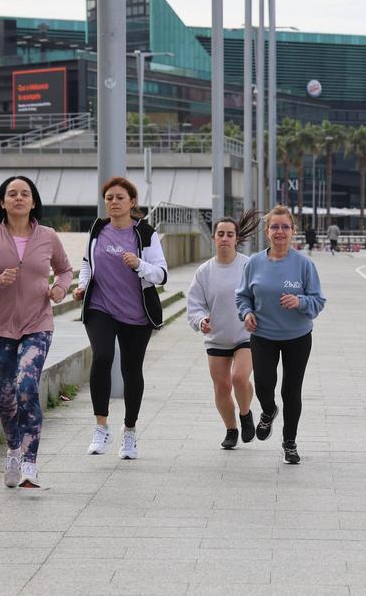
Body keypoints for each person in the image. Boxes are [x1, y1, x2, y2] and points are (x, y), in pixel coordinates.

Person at [0, 175, 72, 489]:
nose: (19, 198)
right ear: (2, 202)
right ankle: (13, 449)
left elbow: (64, 270)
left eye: (25, 193)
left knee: (27, 386)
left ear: (34, 201)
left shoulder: (48, 236)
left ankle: (30, 462)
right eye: (12, 194)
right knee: (7, 399)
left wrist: (61, 289)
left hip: (38, 324)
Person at [73, 177, 169, 460]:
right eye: (109, 198)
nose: (113, 202)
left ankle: (129, 432)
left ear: (132, 202)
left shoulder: (145, 234)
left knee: (131, 370)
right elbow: (87, 263)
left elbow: (162, 274)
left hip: (135, 313)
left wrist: (139, 264)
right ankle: (101, 427)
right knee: (102, 357)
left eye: (119, 198)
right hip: (100, 307)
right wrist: (82, 285)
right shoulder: (98, 228)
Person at [236, 205, 327, 464]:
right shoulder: (254, 263)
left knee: (291, 391)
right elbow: (242, 296)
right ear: (267, 231)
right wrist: (246, 314)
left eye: (285, 227)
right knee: (264, 385)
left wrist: (300, 302)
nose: (280, 231)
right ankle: (267, 411)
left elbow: (318, 301)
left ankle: (289, 442)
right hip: (263, 334)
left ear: (293, 231)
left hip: (297, 336)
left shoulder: (304, 264)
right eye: (274, 226)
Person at [187, 210, 261, 449]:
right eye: (221, 234)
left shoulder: (248, 265)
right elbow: (195, 305)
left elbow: (260, 296)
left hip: (245, 334)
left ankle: (246, 413)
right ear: (214, 238)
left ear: (236, 239)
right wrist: (201, 321)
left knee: (239, 378)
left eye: (230, 234)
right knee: (222, 387)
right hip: (217, 337)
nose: (225, 238)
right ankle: (231, 430)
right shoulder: (205, 271)